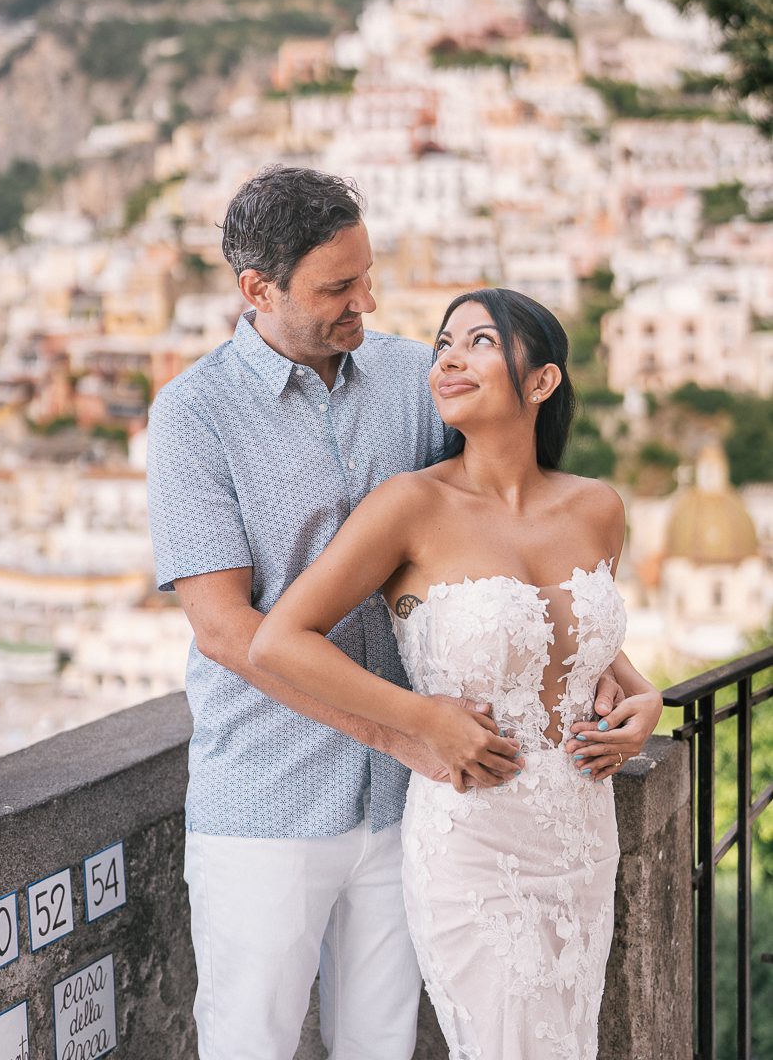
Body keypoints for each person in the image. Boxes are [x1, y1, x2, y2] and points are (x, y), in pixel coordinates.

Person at [146, 167, 659, 1060]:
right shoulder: (193, 414)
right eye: (337, 287)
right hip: (272, 792)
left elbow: (504, 567)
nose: (366, 300)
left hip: (417, 804)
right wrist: (408, 732)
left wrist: (633, 688)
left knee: (381, 1044)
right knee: (248, 1042)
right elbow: (230, 632)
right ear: (256, 290)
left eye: (366, 275)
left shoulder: (411, 379)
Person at [250, 285, 663, 1060]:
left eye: (478, 341)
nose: (448, 357)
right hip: (473, 834)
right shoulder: (409, 505)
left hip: (580, 834)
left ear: (540, 382)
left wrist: (646, 699)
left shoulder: (596, 508)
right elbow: (280, 641)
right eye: (443, 344)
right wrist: (419, 719)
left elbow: (584, 649)